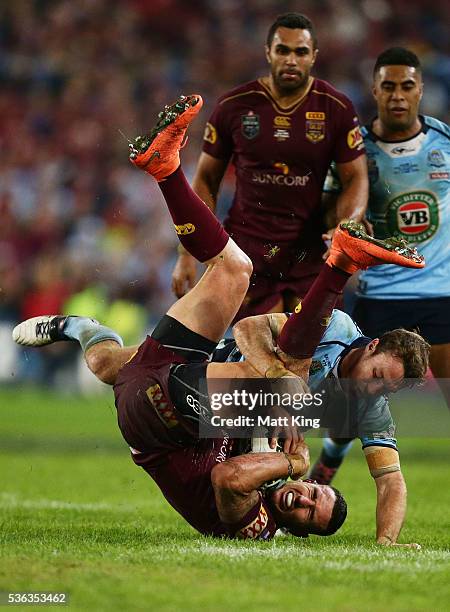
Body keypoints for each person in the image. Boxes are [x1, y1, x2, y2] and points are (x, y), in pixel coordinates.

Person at [13, 95, 425, 545]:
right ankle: (166, 169)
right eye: (378, 376)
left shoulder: (359, 412)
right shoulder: (339, 330)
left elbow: (391, 480)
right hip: (213, 369)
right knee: (236, 272)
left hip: (181, 409)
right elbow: (249, 328)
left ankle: (77, 327)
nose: (374, 389)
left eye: (387, 388)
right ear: (371, 349)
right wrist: (283, 399)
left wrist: (387, 545)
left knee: (107, 366)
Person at [312, 47, 450, 486]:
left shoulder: (445, 142)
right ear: (374, 89)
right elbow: (331, 208)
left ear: (420, 90)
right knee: (355, 402)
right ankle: (330, 460)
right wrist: (344, 223)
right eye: (388, 85)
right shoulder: (356, 150)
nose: (397, 95)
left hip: (440, 292)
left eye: (406, 86)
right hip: (379, 293)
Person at [172, 12, 368, 320]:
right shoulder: (233, 106)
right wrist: (187, 253)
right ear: (268, 53)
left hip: (310, 254)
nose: (291, 59)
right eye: (283, 50)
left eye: (300, 51)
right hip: (248, 255)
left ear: (314, 56)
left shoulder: (336, 107)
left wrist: (347, 225)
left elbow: (355, 177)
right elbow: (206, 181)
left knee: (310, 356)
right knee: (256, 357)